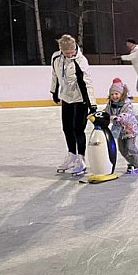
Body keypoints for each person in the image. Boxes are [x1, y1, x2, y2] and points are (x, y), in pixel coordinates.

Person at [50, 34, 97, 175]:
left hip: (80, 98)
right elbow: (54, 75)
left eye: (72, 52)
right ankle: (72, 155)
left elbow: (87, 83)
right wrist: (54, 91)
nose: (70, 55)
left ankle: (81, 160)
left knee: (78, 129)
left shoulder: (81, 61)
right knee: (67, 128)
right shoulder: (56, 58)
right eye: (66, 53)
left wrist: (92, 104)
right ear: (61, 50)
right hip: (66, 98)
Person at [104, 78, 138, 174]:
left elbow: (128, 114)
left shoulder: (127, 104)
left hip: (130, 130)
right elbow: (106, 112)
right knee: (122, 149)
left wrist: (119, 117)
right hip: (119, 130)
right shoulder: (110, 104)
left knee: (130, 147)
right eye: (112, 94)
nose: (114, 96)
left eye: (116, 94)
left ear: (122, 94)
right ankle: (131, 162)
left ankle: (136, 165)